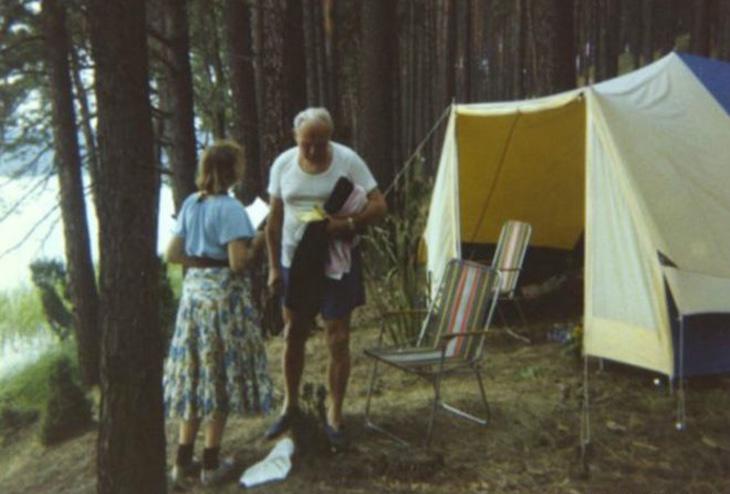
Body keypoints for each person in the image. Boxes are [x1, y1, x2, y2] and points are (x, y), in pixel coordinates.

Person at [265, 107, 387, 448]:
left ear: (330, 138)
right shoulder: (283, 164)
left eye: (321, 141)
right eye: (307, 143)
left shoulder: (348, 160)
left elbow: (380, 204)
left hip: (336, 261)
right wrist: (274, 267)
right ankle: (289, 405)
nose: (314, 150)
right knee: (294, 334)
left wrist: (348, 225)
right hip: (295, 261)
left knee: (338, 337)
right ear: (296, 139)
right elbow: (274, 223)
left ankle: (335, 411)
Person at [163, 140, 273, 487]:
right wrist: (259, 237)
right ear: (232, 171)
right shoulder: (230, 208)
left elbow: (172, 253)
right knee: (218, 380)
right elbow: (238, 263)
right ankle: (211, 465)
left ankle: (182, 463)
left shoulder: (191, 203)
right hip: (223, 304)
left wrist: (202, 262)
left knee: (195, 378)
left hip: (194, 299)